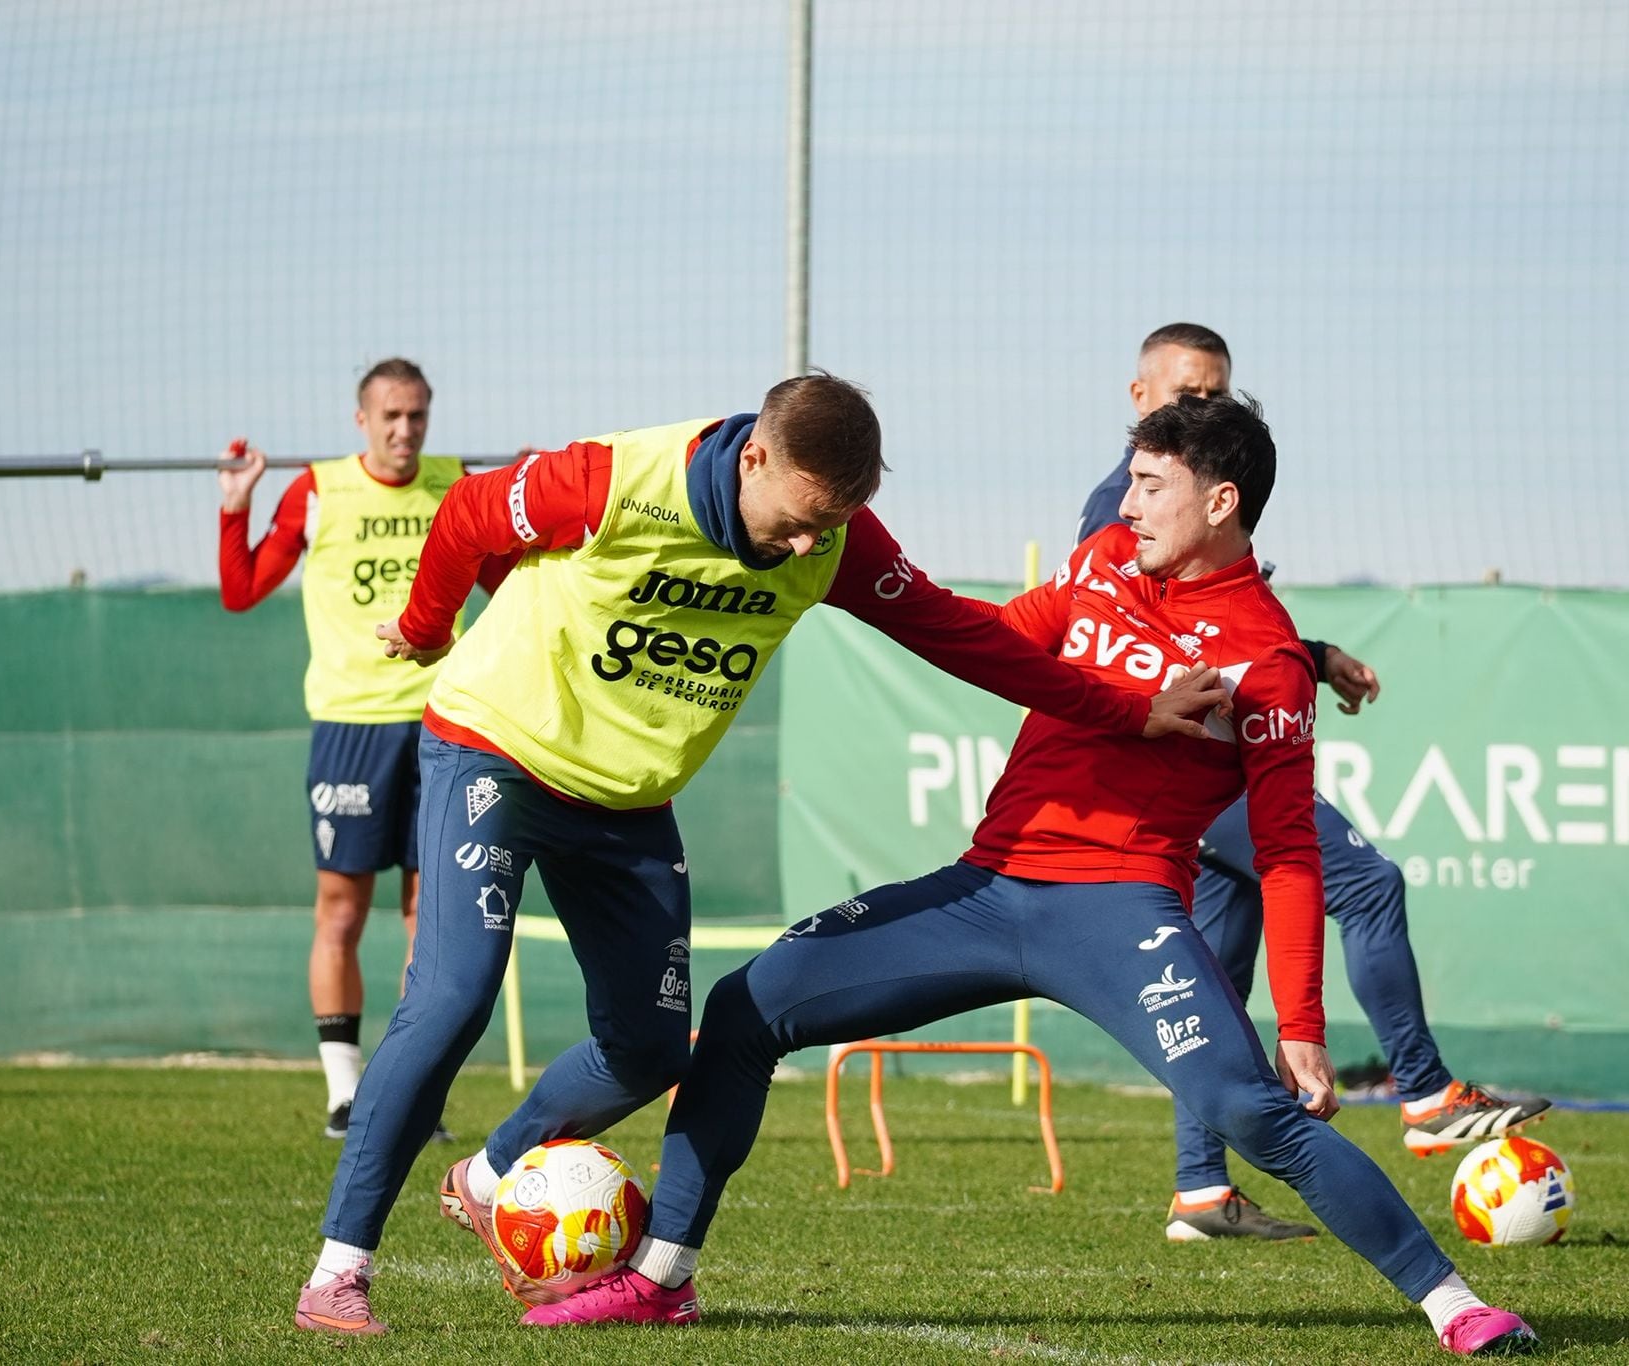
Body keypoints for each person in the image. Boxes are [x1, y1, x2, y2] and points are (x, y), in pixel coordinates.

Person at [531, 393, 1539, 1357]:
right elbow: (1002, 645)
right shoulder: (1101, 561)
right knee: (745, 1009)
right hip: (984, 889)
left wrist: (1305, 1028)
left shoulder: (1268, 666)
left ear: (1219, 503)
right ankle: (663, 1279)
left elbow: (1284, 849)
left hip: (1118, 915)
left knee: (1249, 1111)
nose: (1126, 502)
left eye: (1150, 484)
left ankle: (1455, 1306)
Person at [291, 372, 1230, 1335]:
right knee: (452, 999)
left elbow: (964, 636)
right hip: (496, 752)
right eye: (798, 520)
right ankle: (339, 1270)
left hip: (628, 801)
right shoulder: (615, 479)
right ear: (755, 457)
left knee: (651, 1049)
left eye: (831, 526)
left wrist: (1128, 708)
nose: (805, 547)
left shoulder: (836, 541)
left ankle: (489, 1178)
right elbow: (470, 513)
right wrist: (424, 624)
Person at [1082, 324, 1549, 1244]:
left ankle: (1201, 1189)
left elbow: (1214, 622)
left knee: (1215, 967)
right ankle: (1423, 1091)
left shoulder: (1199, 492)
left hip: (1205, 750)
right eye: (1186, 392)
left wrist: (1313, 654)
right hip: (1195, 763)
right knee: (1366, 883)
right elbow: (1137, 631)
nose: (1203, 407)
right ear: (1140, 400)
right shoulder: (1130, 500)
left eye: (1216, 392)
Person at [220, 357, 512, 1142]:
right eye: (390, 415)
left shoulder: (459, 485)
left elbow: (512, 586)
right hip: (350, 729)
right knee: (342, 911)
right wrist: (233, 509)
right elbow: (241, 589)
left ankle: (414, 1091)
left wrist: (538, 506)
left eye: (417, 415)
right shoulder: (316, 490)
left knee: (435, 919)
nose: (405, 430)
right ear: (361, 419)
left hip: (446, 724)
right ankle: (346, 1093)